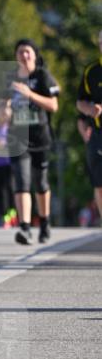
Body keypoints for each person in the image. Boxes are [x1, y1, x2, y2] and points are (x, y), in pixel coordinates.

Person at [7, 38, 59, 245]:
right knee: (22, 180)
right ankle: (25, 227)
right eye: (20, 52)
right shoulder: (9, 79)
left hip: (40, 137)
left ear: (35, 55)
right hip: (17, 139)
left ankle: (44, 222)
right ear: (15, 56)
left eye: (28, 51)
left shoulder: (42, 76)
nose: (24, 55)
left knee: (41, 182)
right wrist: (4, 110)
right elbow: (1, 108)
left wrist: (30, 94)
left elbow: (53, 105)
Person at [76, 28, 102, 222]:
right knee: (99, 184)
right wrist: (89, 110)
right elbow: (80, 101)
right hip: (98, 133)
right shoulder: (91, 71)